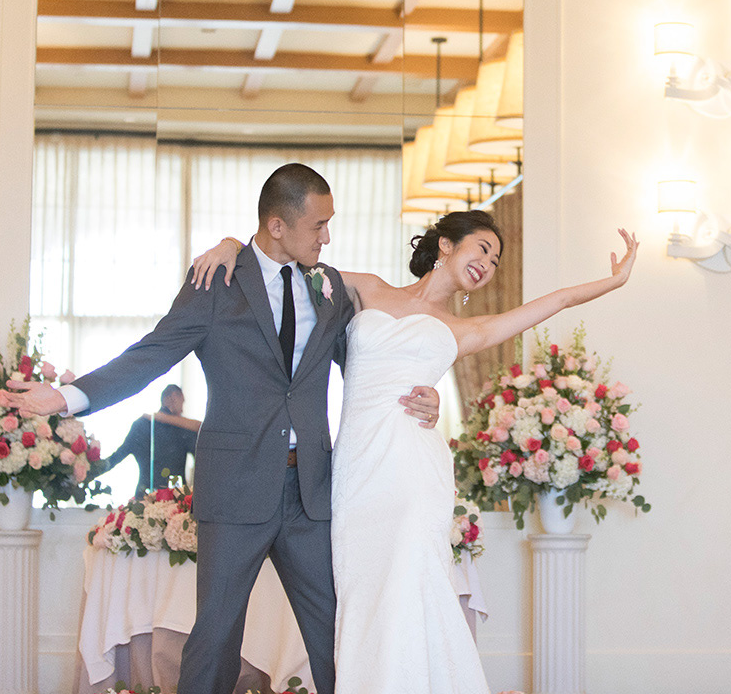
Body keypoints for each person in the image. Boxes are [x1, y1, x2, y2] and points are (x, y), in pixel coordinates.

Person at [6, 163, 441, 694]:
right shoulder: (216, 283)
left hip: (311, 492)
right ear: (277, 225)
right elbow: (151, 354)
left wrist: (422, 394)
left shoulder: (328, 286)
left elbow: (366, 366)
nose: (327, 237)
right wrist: (68, 397)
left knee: (338, 633)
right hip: (235, 486)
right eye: (318, 225)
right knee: (215, 638)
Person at [193, 209, 637, 694]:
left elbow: (559, 300)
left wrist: (614, 281)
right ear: (446, 244)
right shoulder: (367, 289)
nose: (488, 264)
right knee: (362, 593)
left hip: (413, 470)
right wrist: (231, 245)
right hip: (355, 473)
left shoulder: (464, 329)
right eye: (483, 249)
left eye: (495, 261)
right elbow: (286, 262)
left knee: (409, 585)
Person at [101, 384, 200, 498]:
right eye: (182, 402)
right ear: (173, 397)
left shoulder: (141, 425)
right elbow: (201, 459)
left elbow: (118, 456)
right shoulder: (183, 429)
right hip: (176, 497)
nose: (182, 409)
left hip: (145, 495)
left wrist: (92, 469)